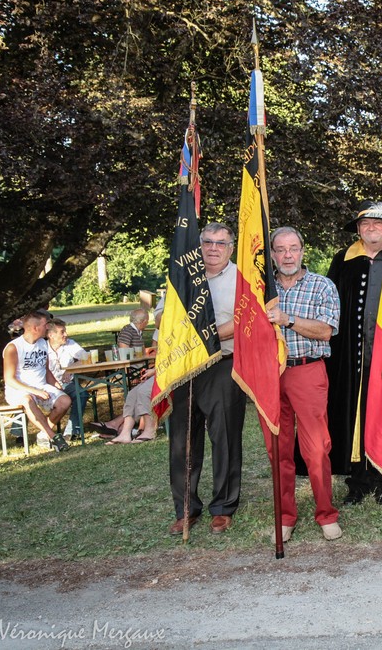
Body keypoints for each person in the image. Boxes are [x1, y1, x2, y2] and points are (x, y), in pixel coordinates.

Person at [167, 222, 248, 537]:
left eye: (221, 243)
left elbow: (243, 322)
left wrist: (203, 334)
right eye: (208, 242)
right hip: (185, 367)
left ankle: (223, 507)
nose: (213, 248)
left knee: (225, 438)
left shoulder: (241, 280)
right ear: (199, 244)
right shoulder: (183, 273)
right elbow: (163, 315)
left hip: (222, 366)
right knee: (182, 443)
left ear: (230, 248)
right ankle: (185, 509)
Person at [266, 226, 342, 543]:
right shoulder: (261, 290)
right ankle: (285, 517)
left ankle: (325, 514)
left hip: (307, 372)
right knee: (278, 450)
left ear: (302, 251)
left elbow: (326, 331)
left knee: (316, 449)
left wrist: (288, 320)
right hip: (269, 376)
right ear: (272, 254)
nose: (287, 255)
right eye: (281, 249)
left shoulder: (322, 286)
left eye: (293, 248)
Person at [325, 201, 382, 506]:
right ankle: (357, 481)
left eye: (378, 224)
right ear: (357, 229)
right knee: (352, 415)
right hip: (350, 355)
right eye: (365, 224)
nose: (371, 228)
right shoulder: (343, 260)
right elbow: (329, 301)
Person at [2, 311, 72, 452]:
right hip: (19, 390)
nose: (48, 327)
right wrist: (34, 391)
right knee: (27, 399)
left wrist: (55, 384)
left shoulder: (42, 343)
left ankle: (43, 434)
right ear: (35, 328)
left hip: (42, 386)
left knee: (65, 401)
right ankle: (53, 437)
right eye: (45, 324)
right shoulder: (13, 347)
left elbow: (45, 369)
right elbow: (9, 379)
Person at [45, 318, 89, 440]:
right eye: (62, 332)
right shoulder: (42, 348)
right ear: (51, 335)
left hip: (67, 383)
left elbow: (86, 357)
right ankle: (20, 433)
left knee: (82, 394)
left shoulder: (70, 344)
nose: (66, 335)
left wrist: (70, 369)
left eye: (65, 331)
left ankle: (72, 431)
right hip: (48, 384)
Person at [104, 371, 158, 444]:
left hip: (171, 375)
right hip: (160, 372)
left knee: (143, 391)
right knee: (132, 394)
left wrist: (154, 371)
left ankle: (149, 431)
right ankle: (125, 433)